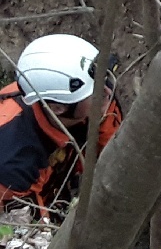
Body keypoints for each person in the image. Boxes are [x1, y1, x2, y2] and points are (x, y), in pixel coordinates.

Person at [0, 34, 123, 216]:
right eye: (95, 91)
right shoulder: (14, 163)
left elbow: (117, 157)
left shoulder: (94, 103)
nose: (107, 92)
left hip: (57, 183)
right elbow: (30, 231)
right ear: (58, 108)